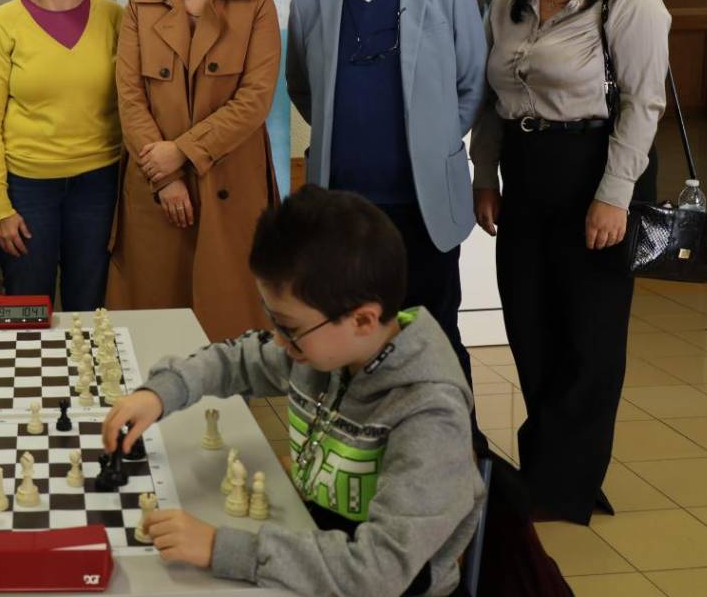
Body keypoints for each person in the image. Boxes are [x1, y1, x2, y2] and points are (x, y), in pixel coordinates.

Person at [103, 185, 484, 595]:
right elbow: (237, 360)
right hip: (307, 549)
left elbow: (377, 572)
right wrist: (160, 393)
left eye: (289, 327)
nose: (278, 341)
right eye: (273, 319)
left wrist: (219, 547)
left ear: (362, 321)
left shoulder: (429, 415)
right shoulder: (328, 349)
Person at [471, 0, 669, 525]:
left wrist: (612, 198)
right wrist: (484, 175)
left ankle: (561, 487)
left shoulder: (627, 1)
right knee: (530, 326)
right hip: (526, 175)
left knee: (588, 336)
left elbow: (642, 106)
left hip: (597, 169)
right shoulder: (505, 4)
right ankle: (557, 468)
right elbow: (494, 101)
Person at [285, 0, 486, 386]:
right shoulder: (310, 2)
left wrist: (432, 140)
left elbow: (472, 87)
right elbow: (302, 88)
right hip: (344, 208)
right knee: (348, 335)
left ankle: (456, 448)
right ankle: (361, 449)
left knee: (432, 335)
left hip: (423, 206)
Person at [106, 0, 281, 342]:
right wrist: (165, 178)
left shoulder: (257, 4)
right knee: (155, 319)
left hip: (231, 181)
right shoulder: (140, 6)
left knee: (229, 319)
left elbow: (255, 100)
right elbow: (129, 95)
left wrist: (180, 152)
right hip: (154, 184)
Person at [0, 0, 124, 311]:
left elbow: (134, 104)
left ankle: (87, 377)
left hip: (99, 186)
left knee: (91, 308)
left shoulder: (116, 18)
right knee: (27, 307)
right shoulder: (3, 22)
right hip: (27, 189)